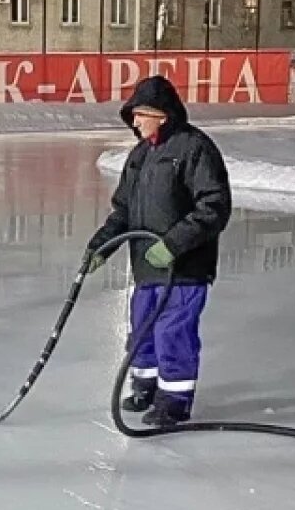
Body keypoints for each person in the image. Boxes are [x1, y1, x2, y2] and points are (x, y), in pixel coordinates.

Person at [85, 75, 232, 427]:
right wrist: (101, 245)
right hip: (147, 267)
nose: (134, 122)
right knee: (142, 329)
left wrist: (173, 244)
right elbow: (124, 210)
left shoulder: (194, 148)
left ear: (161, 115)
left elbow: (214, 206)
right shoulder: (139, 156)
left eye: (140, 115)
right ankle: (145, 387)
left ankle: (175, 400)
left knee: (173, 332)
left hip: (184, 268)